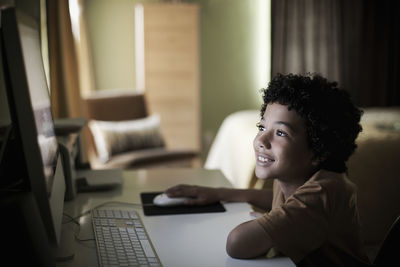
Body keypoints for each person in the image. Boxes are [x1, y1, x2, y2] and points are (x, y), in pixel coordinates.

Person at [165, 73, 372, 266]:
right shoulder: (295, 178)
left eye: (281, 133)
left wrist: (271, 224)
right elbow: (279, 199)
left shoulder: (322, 192)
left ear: (319, 151)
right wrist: (219, 193)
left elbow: (237, 243)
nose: (261, 140)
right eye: (262, 127)